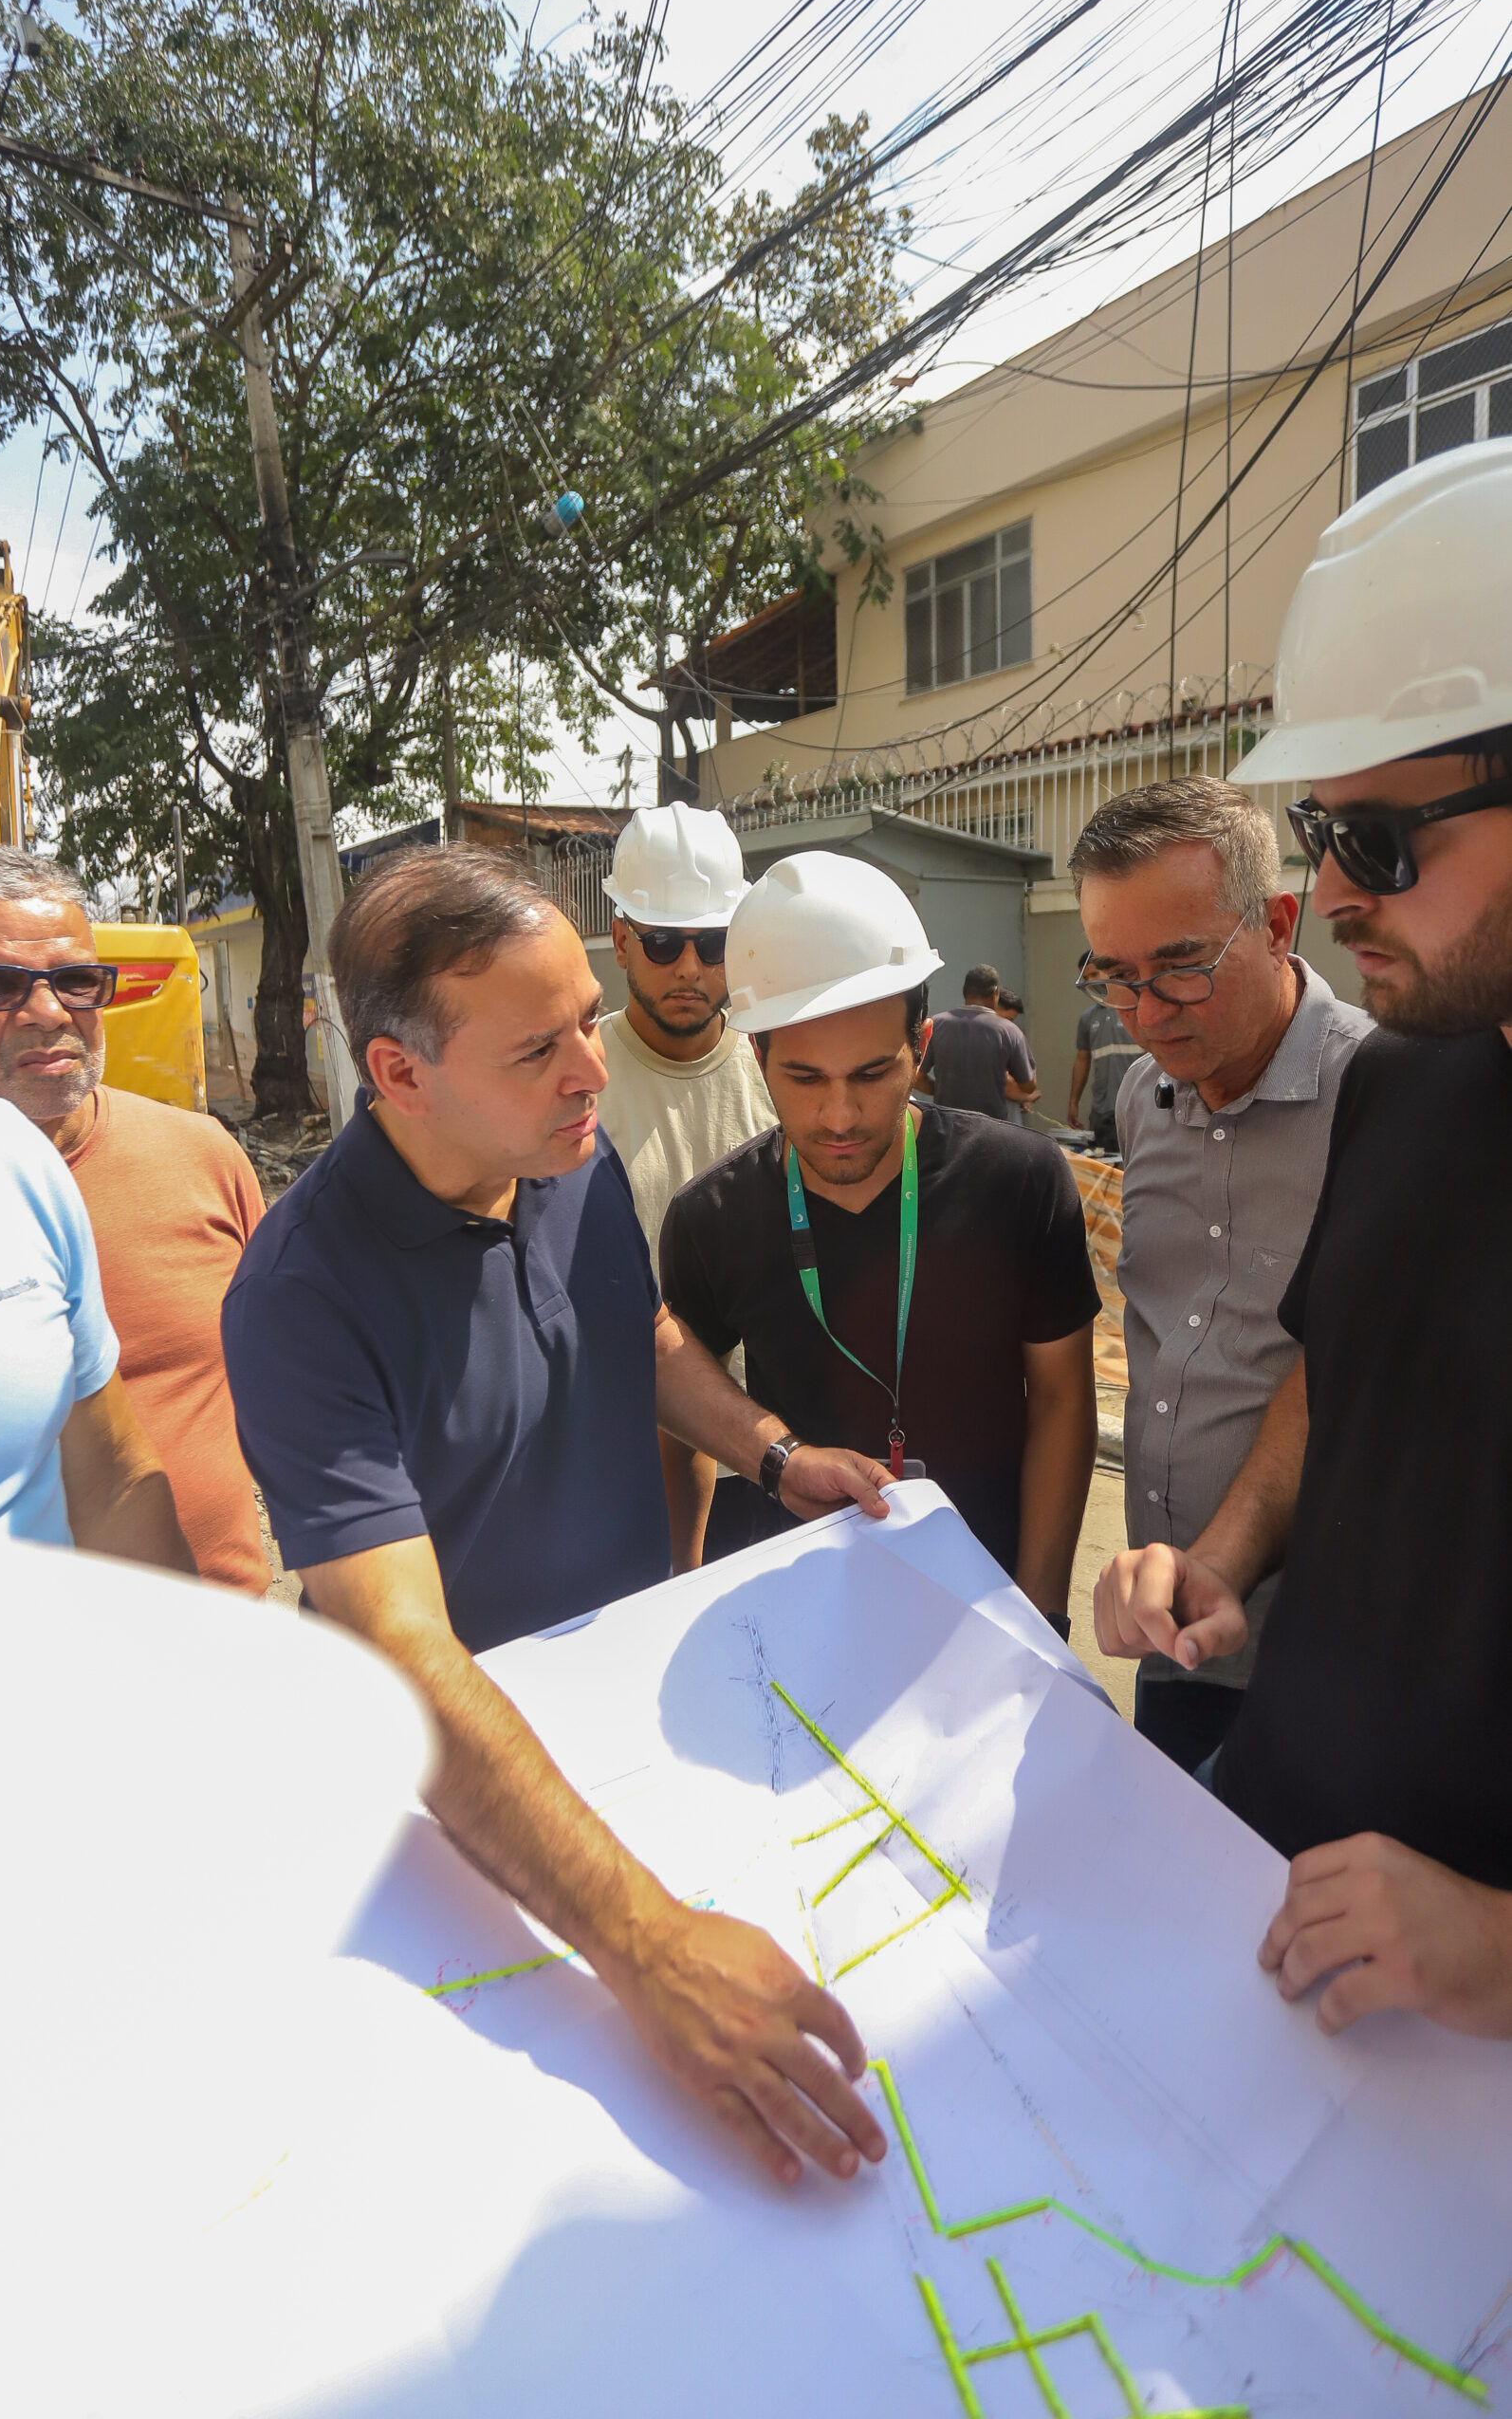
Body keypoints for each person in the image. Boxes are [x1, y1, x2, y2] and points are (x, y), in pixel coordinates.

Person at [221, 842, 894, 2185]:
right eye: (539, 1049)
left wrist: (771, 1454)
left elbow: (631, 1333)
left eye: (586, 1019)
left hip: (631, 1739)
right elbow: (401, 1655)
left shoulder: (567, 1163)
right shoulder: (301, 1296)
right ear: (398, 1071)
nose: (593, 1071)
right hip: (468, 1819)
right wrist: (644, 1951)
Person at [1093, 439, 1512, 2039]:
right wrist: (1222, 1564)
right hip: (1276, 1885)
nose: (1333, 894)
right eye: (1323, 831)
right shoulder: (1408, 1087)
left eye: (1385, 846)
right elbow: (1334, 1388)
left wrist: (1489, 1945)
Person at [660, 853, 1100, 1634]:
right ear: (756, 1056)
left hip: (986, 1606)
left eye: (871, 1073)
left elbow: (1063, 1401)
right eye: (803, 1078)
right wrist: (682, 1584)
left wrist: (1041, 1617)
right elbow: (683, 1403)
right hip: (802, 1613)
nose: (838, 1116)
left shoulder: (1020, 1182)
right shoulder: (710, 1218)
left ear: (919, 1046)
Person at [1069, 779, 1370, 1774]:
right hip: (1167, 1639)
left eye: (1181, 967)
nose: (1145, 1012)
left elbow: (1347, 1370)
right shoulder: (1139, 1100)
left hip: (1328, 1659)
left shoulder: (1385, 1099)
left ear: (1279, 923)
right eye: (1112, 975)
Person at [0, 846, 269, 1592]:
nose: (47, 1012)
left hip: (222, 1639)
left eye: (75, 981)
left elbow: (293, 1381)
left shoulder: (202, 1154)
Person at [598, 802, 775, 1569]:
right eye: (665, 943)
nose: (691, 969)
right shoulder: (573, 1084)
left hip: (768, 1460)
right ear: (621, 941)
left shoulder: (783, 1075)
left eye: (712, 943)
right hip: (618, 1463)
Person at [0, 1086, 195, 1570]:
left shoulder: (9, 1152)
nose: (50, 1012)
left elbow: (112, 1483)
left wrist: (185, 1638)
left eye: (83, 1000)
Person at [915, 964, 1039, 1125]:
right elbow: (1028, 1086)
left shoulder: (937, 1024)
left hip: (947, 1128)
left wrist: (942, 1090)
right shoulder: (1009, 1031)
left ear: (964, 991)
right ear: (995, 992)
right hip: (991, 1129)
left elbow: (917, 1078)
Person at [1068, 962, 1139, 1151]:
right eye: (1086, 978)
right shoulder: (1088, 1018)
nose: (1090, 981)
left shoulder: (1134, 1008)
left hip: (1138, 1106)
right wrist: (1073, 1102)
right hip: (1102, 1111)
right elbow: (1082, 1060)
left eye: (1094, 974)